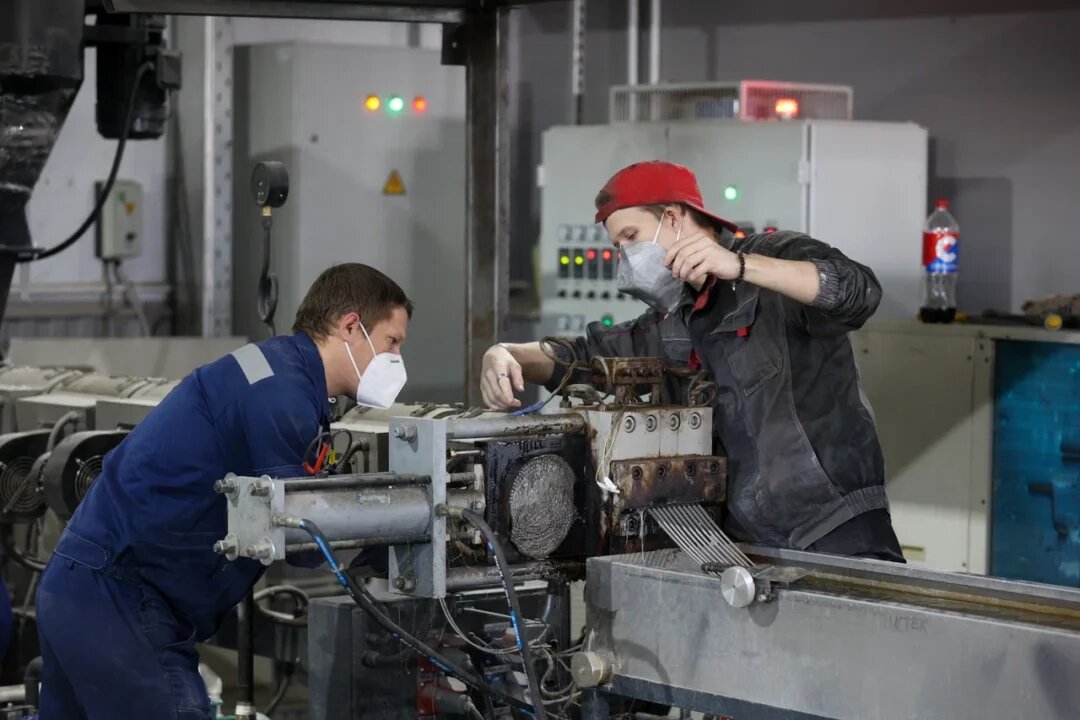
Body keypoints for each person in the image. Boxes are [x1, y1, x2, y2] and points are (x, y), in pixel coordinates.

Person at [35, 263, 412, 719]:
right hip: (122, 600)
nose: (397, 359)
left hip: (81, 583)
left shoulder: (273, 367)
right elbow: (299, 532)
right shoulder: (283, 394)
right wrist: (398, 530)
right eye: (392, 342)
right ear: (351, 326)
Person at [482, 161, 904, 562]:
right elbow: (580, 358)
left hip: (836, 529)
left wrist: (741, 266)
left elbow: (859, 291)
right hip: (747, 545)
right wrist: (506, 353)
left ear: (673, 217)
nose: (625, 257)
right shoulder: (669, 323)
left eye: (631, 236)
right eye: (616, 246)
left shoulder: (774, 260)